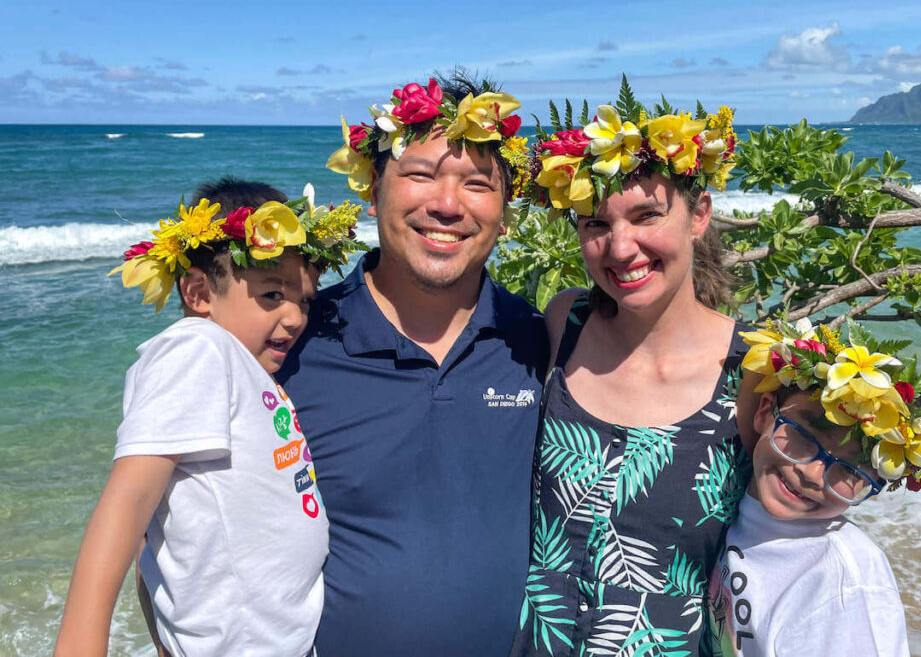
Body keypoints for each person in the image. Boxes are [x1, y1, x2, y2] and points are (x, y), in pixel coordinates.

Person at [276, 73, 549, 656]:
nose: (447, 205)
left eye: (477, 184)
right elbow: (186, 532)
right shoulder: (293, 346)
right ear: (372, 189)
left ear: (506, 209)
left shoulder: (539, 344)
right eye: (420, 174)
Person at [54, 178, 363, 657]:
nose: (298, 317)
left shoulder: (244, 365)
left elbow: (155, 536)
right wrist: (80, 646)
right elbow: (131, 498)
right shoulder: (198, 348)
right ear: (199, 293)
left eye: (305, 299)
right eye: (271, 295)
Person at [510, 91, 753, 655]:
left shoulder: (752, 370)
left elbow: (793, 538)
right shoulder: (562, 323)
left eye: (646, 216)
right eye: (595, 223)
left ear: (699, 215)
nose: (620, 248)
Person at [704, 319, 921, 656]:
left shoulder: (845, 583)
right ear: (766, 412)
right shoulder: (733, 504)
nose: (813, 473)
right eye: (804, 436)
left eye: (851, 468)